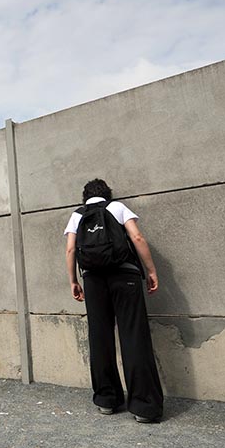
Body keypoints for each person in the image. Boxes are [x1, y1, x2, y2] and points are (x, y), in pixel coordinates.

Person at [64, 178, 164, 422]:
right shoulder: (117, 207)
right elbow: (137, 237)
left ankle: (107, 400)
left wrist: (73, 281)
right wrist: (150, 270)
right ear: (107, 194)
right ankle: (144, 407)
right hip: (125, 275)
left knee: (100, 338)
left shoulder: (77, 215)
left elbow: (70, 249)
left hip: (93, 280)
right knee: (133, 336)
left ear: (84, 197)